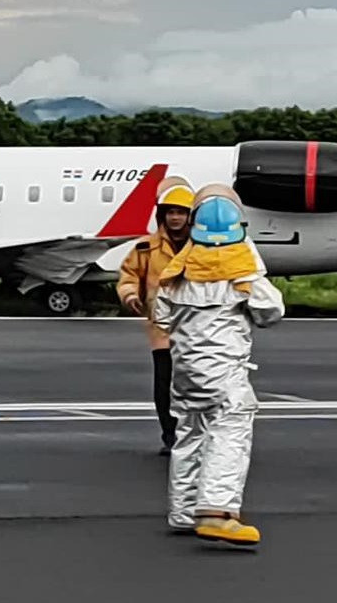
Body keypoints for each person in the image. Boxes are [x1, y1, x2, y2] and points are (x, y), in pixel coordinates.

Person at [153, 184, 285, 546]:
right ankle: (216, 511)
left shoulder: (177, 274)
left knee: (190, 432)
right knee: (231, 427)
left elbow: (161, 317)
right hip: (224, 370)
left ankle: (183, 510)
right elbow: (271, 312)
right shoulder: (242, 273)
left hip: (184, 372)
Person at [117, 176, 195, 455]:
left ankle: (196, 435)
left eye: (181, 212)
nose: (175, 218)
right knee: (164, 385)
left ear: (190, 216)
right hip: (162, 329)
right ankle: (170, 434)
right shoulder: (145, 248)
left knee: (196, 386)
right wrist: (130, 296)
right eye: (170, 212)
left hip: (198, 329)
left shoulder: (202, 248)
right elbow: (128, 276)